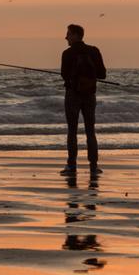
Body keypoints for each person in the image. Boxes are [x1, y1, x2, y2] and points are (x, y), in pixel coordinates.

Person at [60, 24, 106, 176]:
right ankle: (93, 167)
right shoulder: (94, 51)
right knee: (90, 131)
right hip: (89, 95)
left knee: (72, 131)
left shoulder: (67, 53)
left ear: (75, 35)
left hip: (73, 95)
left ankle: (72, 166)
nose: (66, 37)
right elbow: (102, 74)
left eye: (68, 34)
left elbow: (64, 75)